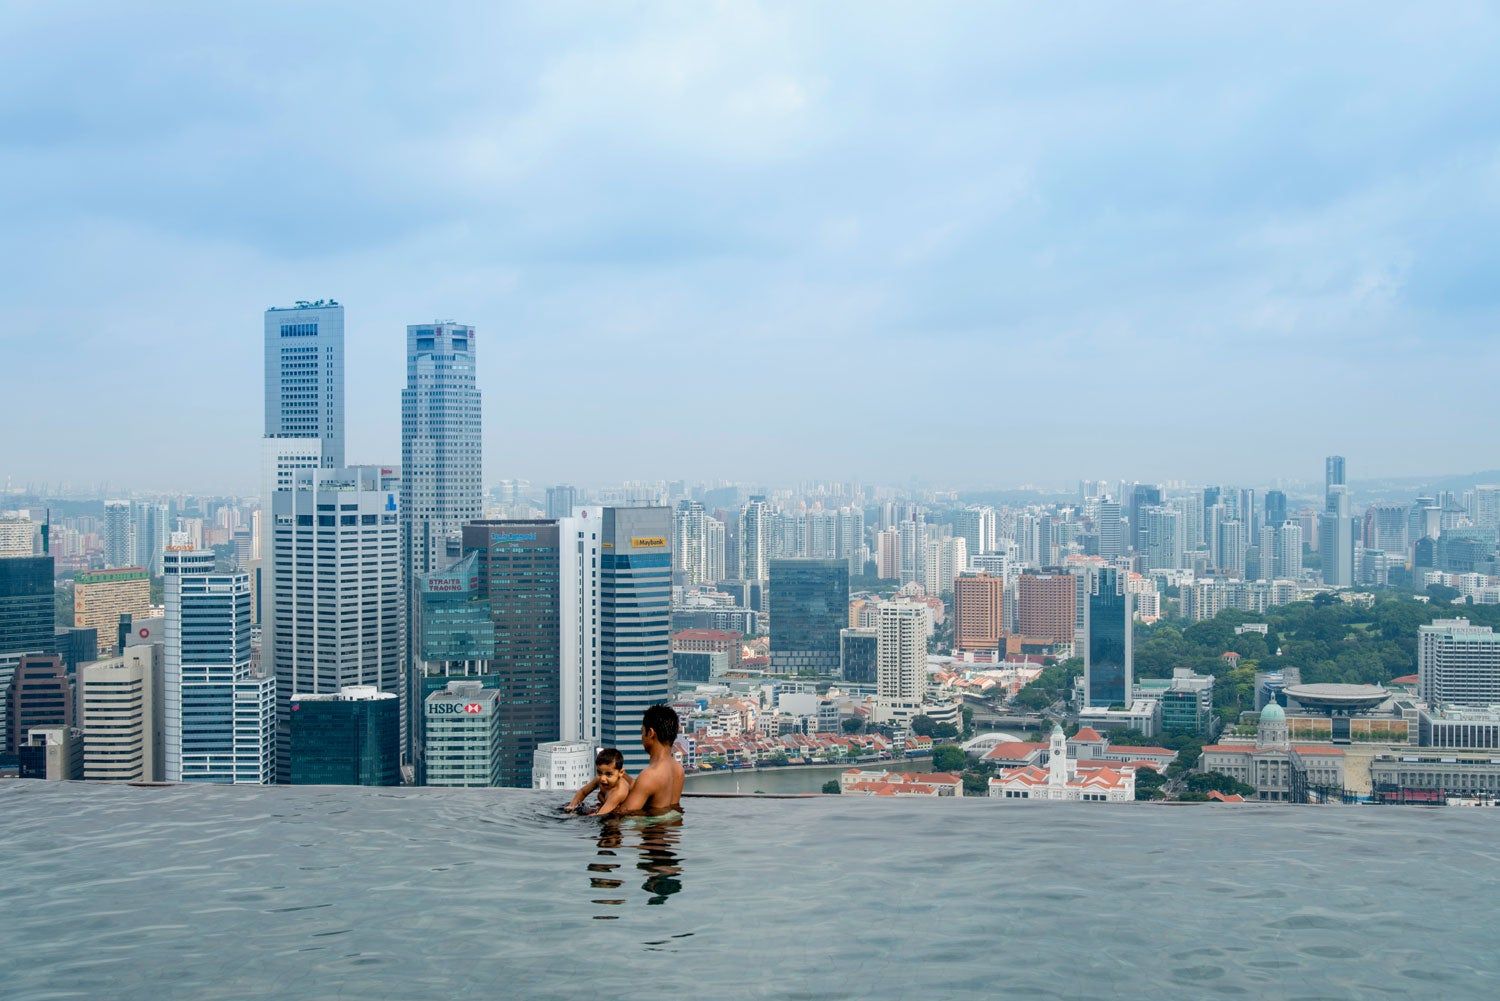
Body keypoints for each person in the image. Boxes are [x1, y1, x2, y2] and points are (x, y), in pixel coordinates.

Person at [619, 704, 685, 817]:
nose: (642, 737)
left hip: (652, 828)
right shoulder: (678, 769)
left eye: (642, 732)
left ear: (650, 733)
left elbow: (623, 815)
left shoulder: (650, 775)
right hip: (672, 827)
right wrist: (620, 774)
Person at [563, 748, 632, 816]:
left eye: (608, 774)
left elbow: (601, 814)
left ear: (621, 773)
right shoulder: (600, 779)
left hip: (620, 815)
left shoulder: (618, 792)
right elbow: (583, 792)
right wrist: (572, 806)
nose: (602, 778)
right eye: (599, 772)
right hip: (606, 805)